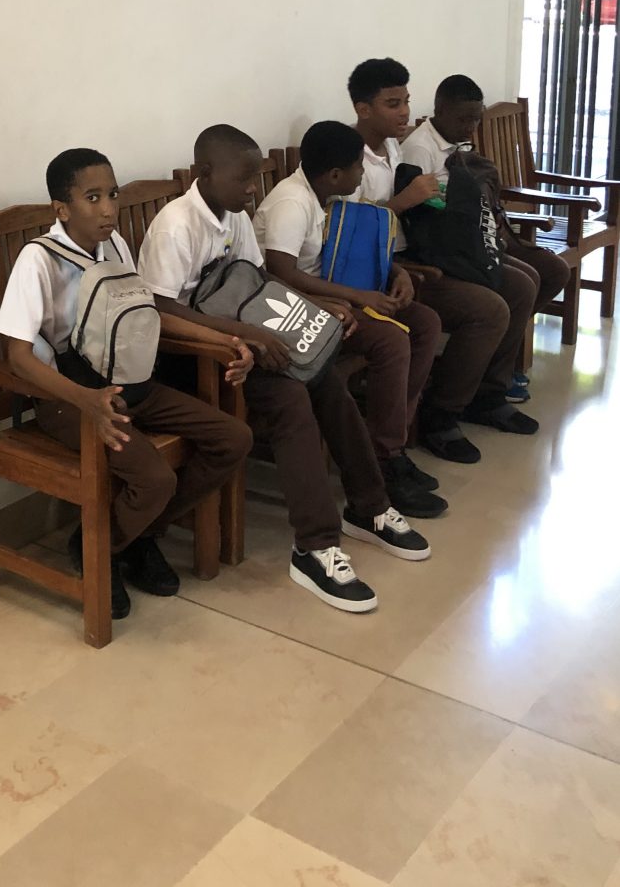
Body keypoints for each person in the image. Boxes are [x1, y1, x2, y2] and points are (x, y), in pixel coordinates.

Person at [138, 125, 431, 615]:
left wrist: (315, 304)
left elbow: (260, 279)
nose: (253, 190)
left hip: (243, 342)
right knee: (292, 396)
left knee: (326, 380)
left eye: (255, 178)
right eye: (244, 179)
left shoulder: (232, 215)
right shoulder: (176, 226)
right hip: (192, 359)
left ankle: (370, 506)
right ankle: (314, 547)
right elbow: (161, 311)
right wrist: (242, 336)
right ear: (204, 172)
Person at [0, 147, 253, 621]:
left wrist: (227, 341)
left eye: (112, 195)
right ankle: (100, 549)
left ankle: (135, 535)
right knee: (155, 477)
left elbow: (148, 313)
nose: (108, 209)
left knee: (232, 438)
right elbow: (18, 356)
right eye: (92, 197)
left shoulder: (114, 246)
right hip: (67, 396)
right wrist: (87, 401)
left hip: (128, 383)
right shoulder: (38, 259)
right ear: (62, 208)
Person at [253, 120, 445, 517]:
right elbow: (279, 274)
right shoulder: (292, 203)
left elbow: (360, 241)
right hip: (292, 306)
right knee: (391, 340)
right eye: (359, 165)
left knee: (424, 323)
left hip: (333, 291)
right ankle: (384, 460)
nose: (363, 172)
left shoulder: (330, 193)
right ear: (336, 174)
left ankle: (391, 441)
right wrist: (356, 297)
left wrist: (397, 272)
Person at [400, 74, 547, 449]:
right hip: (431, 256)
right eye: (464, 119)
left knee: (524, 284)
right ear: (439, 110)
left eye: (476, 119)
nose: (471, 127)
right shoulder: (418, 150)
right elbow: (421, 221)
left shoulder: (455, 142)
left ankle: (489, 393)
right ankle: (441, 412)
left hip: (461, 245)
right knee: (492, 307)